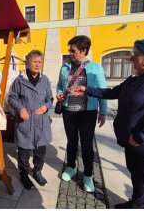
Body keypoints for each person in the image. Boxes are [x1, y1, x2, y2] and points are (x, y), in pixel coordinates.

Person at [82, 37, 144, 209]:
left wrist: (140, 137)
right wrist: (86, 90)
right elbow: (114, 92)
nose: (130, 58)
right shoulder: (138, 77)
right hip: (132, 142)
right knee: (136, 174)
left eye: (134, 54)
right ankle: (137, 203)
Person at [55, 35, 108, 193]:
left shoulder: (96, 68)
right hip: (68, 111)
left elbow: (102, 91)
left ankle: (88, 175)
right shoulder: (65, 67)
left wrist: (103, 112)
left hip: (87, 113)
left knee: (86, 145)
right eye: (70, 50)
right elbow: (59, 85)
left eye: (73, 51)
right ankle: (71, 167)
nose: (70, 53)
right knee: (71, 141)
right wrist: (59, 93)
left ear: (84, 50)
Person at [7, 50, 53, 190]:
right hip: (25, 122)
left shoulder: (44, 80)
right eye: (34, 61)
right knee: (24, 152)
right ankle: (24, 173)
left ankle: (37, 171)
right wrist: (20, 108)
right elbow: (11, 98)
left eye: (40, 62)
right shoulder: (19, 80)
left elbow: (50, 99)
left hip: (41, 122)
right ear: (28, 62)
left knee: (41, 150)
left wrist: (46, 107)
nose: (37, 64)